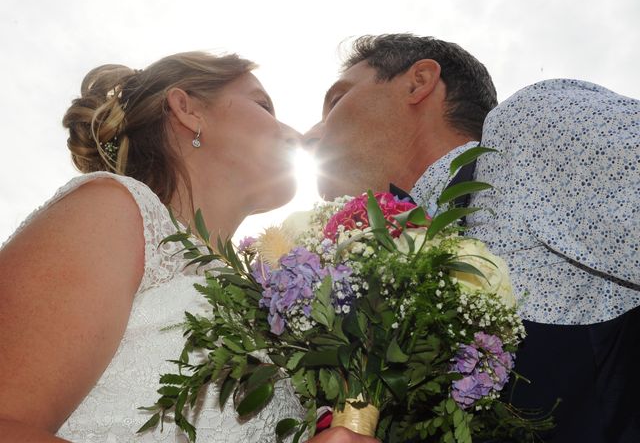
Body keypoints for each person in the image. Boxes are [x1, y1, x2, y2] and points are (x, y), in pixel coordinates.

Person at [0, 51, 378, 443]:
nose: (297, 135)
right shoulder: (113, 208)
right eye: (263, 104)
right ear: (187, 110)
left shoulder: (276, 308)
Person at [303, 33, 640, 442]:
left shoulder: (522, 137)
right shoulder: (345, 295)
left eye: (336, 100)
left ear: (418, 81)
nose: (309, 136)